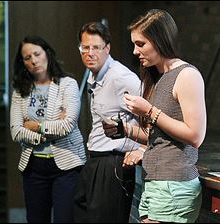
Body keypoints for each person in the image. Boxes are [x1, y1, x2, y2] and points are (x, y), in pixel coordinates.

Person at [104, 9, 206, 223]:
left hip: (173, 184)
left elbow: (195, 136)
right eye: (134, 44)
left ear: (160, 40)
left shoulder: (186, 75)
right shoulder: (158, 78)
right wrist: (125, 130)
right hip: (156, 182)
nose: (134, 51)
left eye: (140, 44)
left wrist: (149, 111)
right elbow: (159, 137)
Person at [10, 35, 86, 223]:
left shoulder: (67, 84)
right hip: (33, 167)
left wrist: (36, 126)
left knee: (65, 219)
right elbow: (16, 131)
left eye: (37, 54)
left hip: (66, 166)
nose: (34, 60)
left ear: (47, 54)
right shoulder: (20, 90)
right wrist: (47, 132)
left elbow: (68, 125)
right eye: (27, 58)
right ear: (23, 63)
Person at [72, 22, 143, 223]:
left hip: (113, 163)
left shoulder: (121, 77)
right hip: (95, 160)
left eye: (96, 47)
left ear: (107, 48)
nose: (90, 53)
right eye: (85, 47)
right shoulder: (94, 76)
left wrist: (143, 148)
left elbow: (151, 112)